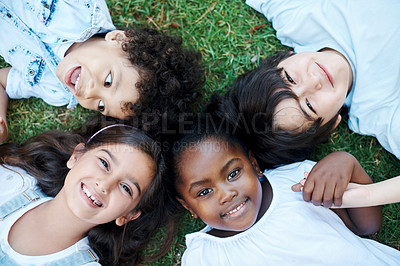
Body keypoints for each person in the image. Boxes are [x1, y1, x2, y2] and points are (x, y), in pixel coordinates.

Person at [167, 115, 400, 265]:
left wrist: (346, 162)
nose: (226, 194)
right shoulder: (205, 257)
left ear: (254, 165)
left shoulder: (297, 181)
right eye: (204, 192)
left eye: (233, 174)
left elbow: (366, 226)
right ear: (189, 206)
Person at [224, 0, 400, 167]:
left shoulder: (295, 18)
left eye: (290, 79)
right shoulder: (379, 113)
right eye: (309, 106)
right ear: (332, 124)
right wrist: (367, 195)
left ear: (282, 58)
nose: (314, 81)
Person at [0, 0, 204, 142]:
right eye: (108, 81)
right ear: (119, 40)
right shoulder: (83, 9)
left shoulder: (55, 91)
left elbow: (3, 82)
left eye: (100, 105)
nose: (89, 94)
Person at [0, 124, 176, 265]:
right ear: (76, 156)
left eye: (126, 188)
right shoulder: (11, 181)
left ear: (128, 215)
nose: (104, 185)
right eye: (104, 163)